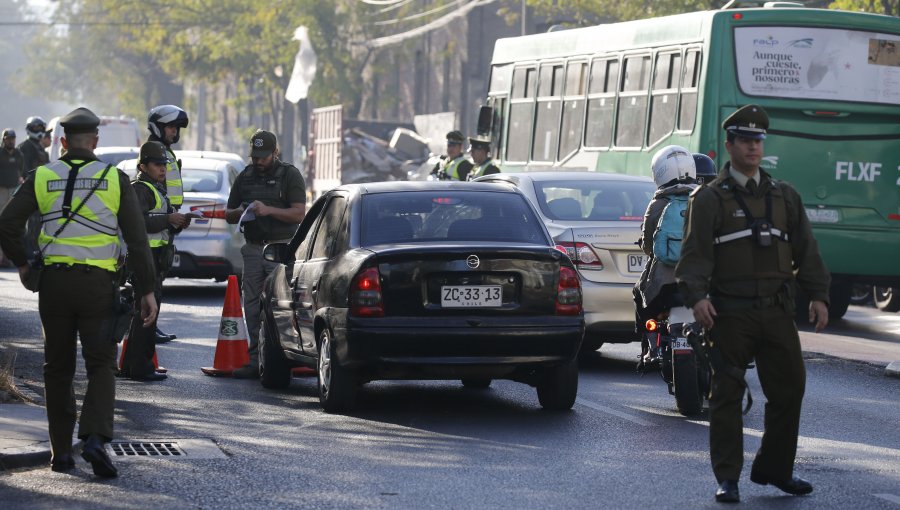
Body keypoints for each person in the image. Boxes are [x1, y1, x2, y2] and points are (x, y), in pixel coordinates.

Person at [675, 105, 830, 503]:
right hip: (731, 313)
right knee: (726, 394)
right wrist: (697, 298)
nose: (752, 147)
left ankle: (775, 470)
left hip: (777, 311)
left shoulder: (784, 196)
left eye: (758, 141)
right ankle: (728, 477)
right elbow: (694, 255)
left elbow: (806, 249)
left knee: (790, 390)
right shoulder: (709, 199)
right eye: (745, 140)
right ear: (729, 146)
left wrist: (818, 295)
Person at [0, 107, 158, 478]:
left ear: (63, 142)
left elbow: (7, 223)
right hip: (97, 287)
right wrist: (146, 290)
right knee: (101, 364)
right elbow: (137, 240)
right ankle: (94, 439)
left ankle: (60, 453)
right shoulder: (113, 179)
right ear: (96, 142)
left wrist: (23, 263)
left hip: (53, 285)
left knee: (57, 368)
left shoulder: (42, 176)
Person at [225, 130, 306, 379]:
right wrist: (240, 211)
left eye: (263, 157)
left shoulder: (289, 174)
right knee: (250, 304)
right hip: (252, 248)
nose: (258, 162)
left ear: (275, 153)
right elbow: (228, 213)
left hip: (280, 248)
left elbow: (299, 214)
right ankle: (254, 358)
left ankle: (285, 357)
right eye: (255, 156)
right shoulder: (245, 176)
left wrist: (268, 210)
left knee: (281, 304)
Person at [120, 141, 192, 382]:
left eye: (164, 164)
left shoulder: (157, 188)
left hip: (156, 258)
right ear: (143, 166)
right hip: (145, 258)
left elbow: (161, 223)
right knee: (147, 313)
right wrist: (168, 218)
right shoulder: (140, 188)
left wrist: (178, 222)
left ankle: (133, 365)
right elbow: (138, 223)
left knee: (144, 312)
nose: (162, 169)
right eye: (157, 164)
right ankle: (141, 368)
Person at [633, 145, 697, 370]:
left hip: (664, 285)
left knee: (638, 294)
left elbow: (649, 244)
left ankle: (650, 348)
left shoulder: (658, 204)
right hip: (700, 281)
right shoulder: (704, 198)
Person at [146, 104, 189, 343]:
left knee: (158, 278)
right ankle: (147, 326)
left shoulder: (165, 150)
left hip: (167, 220)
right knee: (151, 281)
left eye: (176, 127)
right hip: (157, 223)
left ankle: (152, 324)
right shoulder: (153, 150)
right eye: (171, 126)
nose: (175, 131)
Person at [18, 116, 50, 261]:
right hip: (31, 189)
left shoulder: (40, 147)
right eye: (36, 128)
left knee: (38, 223)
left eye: (41, 128)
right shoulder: (26, 147)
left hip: (42, 189)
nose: (39, 131)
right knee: (31, 222)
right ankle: (28, 250)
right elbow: (24, 170)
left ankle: (36, 248)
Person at [0, 128, 25, 267]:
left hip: (13, 190)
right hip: (1, 190)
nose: (11, 141)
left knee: (9, 223)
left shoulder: (18, 154)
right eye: (8, 138)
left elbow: (21, 171)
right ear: (4, 140)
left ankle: (8, 257)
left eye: (13, 138)